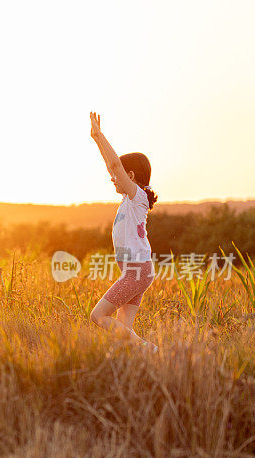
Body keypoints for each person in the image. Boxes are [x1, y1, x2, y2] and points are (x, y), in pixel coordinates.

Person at [88, 112, 159, 352]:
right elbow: (115, 166)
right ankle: (136, 362)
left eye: (117, 176)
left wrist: (99, 136)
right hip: (137, 271)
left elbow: (114, 164)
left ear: (130, 176)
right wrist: (97, 140)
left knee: (98, 316)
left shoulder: (137, 196)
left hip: (135, 272)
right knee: (122, 328)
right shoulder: (131, 201)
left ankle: (148, 350)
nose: (112, 179)